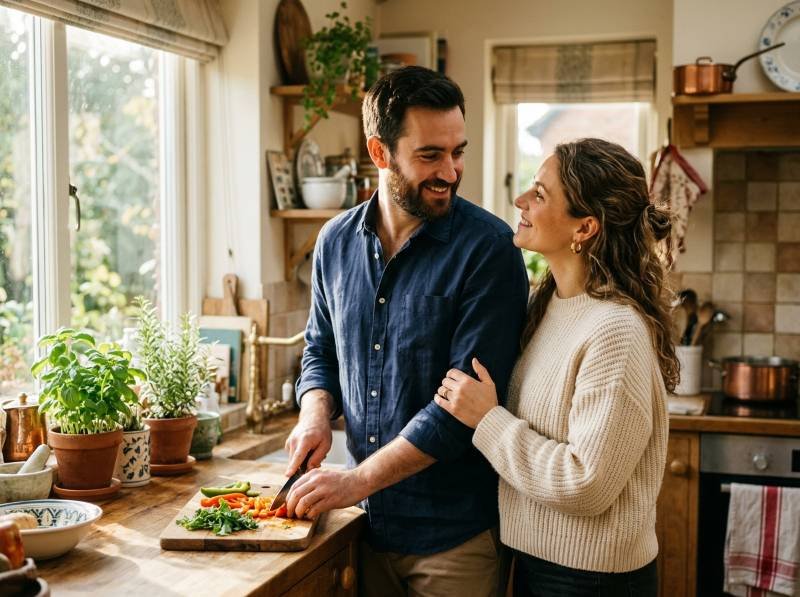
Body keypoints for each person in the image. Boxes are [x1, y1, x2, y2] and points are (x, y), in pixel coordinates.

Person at [284, 66, 529, 596]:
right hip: (362, 529)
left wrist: (356, 480)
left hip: (453, 539)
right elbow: (320, 350)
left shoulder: (489, 251)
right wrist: (314, 415)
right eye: (430, 155)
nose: (450, 172)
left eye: (458, 152)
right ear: (380, 153)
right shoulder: (334, 242)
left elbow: (461, 409)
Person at [435, 138, 678, 596]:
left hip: (591, 581)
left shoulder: (614, 331)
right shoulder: (546, 306)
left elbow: (586, 484)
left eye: (540, 194)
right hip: (539, 564)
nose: (520, 200)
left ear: (584, 228)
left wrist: (487, 420)